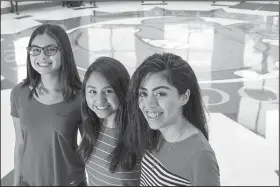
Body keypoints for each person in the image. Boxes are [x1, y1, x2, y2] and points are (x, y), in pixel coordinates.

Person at [123, 53, 220, 186]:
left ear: (184, 97)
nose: (149, 104)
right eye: (143, 93)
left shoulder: (200, 157)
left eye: (160, 94)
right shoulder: (155, 133)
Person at [10, 24, 86, 186]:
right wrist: (16, 183)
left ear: (64, 52)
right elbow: (20, 143)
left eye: (50, 49)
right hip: (29, 182)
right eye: (35, 50)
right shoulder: (19, 93)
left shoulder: (80, 97)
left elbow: (90, 146)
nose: (42, 56)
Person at [77, 57, 141, 186]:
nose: (100, 100)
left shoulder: (139, 134)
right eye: (92, 91)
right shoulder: (92, 127)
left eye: (108, 91)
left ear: (122, 92)